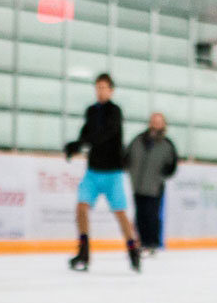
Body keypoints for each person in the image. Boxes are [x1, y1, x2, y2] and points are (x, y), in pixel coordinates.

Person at [65, 73, 140, 273]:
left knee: (120, 213)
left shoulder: (115, 111)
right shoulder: (91, 111)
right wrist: (75, 146)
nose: (100, 91)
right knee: (81, 207)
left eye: (104, 88)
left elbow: (106, 134)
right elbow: (86, 132)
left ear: (111, 90)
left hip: (113, 172)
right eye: (98, 87)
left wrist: (83, 142)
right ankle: (84, 250)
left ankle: (132, 249)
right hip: (93, 172)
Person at [124, 112, 178, 255]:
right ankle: (142, 242)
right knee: (140, 214)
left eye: (159, 122)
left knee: (152, 214)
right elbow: (127, 156)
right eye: (154, 121)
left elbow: (172, 165)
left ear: (164, 124)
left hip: (155, 185)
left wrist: (161, 176)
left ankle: (152, 242)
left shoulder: (167, 144)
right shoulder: (138, 140)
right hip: (138, 183)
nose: (156, 124)